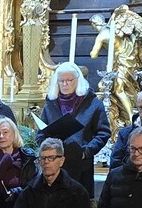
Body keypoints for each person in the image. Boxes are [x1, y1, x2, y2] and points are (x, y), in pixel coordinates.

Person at [39, 62, 110, 196]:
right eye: (61, 81)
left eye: (69, 80)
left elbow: (103, 132)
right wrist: (46, 149)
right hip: (53, 165)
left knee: (78, 202)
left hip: (81, 164)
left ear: (78, 80)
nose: (65, 84)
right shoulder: (50, 103)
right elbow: (40, 134)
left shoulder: (93, 103)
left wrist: (86, 152)